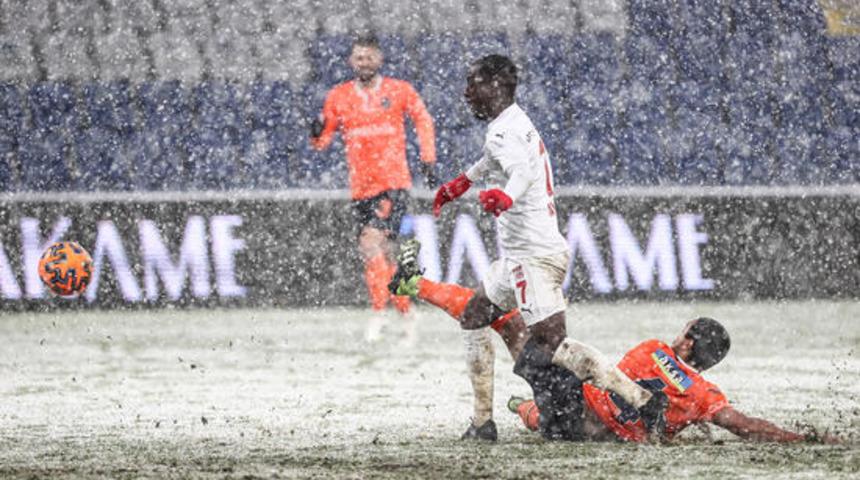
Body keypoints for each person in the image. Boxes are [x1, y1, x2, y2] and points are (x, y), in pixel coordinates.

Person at [429, 55, 663, 440]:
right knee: (474, 315)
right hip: (519, 258)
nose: (467, 92)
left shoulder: (503, 131)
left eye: (473, 83)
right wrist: (459, 184)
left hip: (534, 257)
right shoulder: (513, 123)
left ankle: (642, 401)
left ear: (496, 86)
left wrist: (506, 197)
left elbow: (519, 171)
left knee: (554, 346)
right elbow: (493, 161)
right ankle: (482, 422)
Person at [389, 251, 840, 444]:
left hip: (573, 408)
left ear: (686, 340)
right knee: (544, 393)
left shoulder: (651, 349)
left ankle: (416, 283)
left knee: (501, 317)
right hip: (591, 434)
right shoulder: (706, 396)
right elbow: (742, 425)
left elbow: (607, 380)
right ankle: (524, 409)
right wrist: (800, 436)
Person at [310, 33, 437, 344]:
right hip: (361, 187)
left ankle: (379, 313)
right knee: (384, 255)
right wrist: (314, 133)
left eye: (369, 57)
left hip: (392, 183)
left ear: (379, 60)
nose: (364, 62)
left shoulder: (399, 90)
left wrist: (428, 158)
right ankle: (407, 314)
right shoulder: (339, 96)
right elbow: (323, 141)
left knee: (371, 244)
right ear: (351, 61)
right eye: (359, 57)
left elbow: (423, 120)